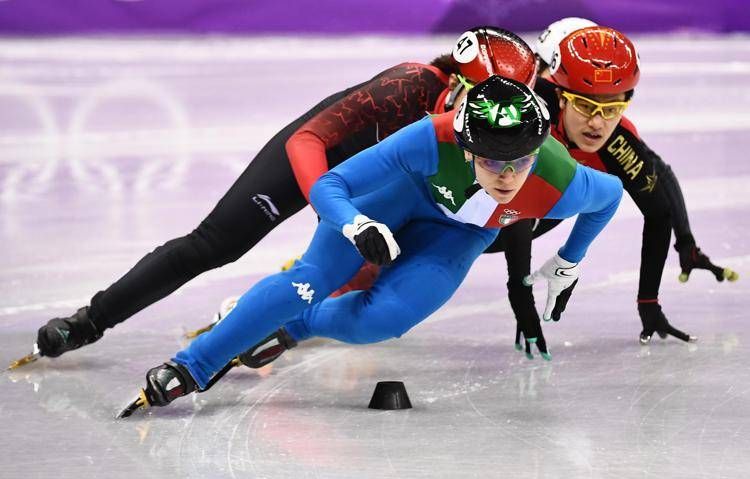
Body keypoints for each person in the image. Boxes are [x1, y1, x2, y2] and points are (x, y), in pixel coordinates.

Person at [122, 75, 623, 413]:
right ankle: (192, 364)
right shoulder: (434, 138)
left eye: (522, 161)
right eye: (493, 161)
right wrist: (354, 224)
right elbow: (331, 183)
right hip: (399, 196)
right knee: (308, 281)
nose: (509, 176)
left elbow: (610, 197)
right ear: (467, 147)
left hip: (462, 232)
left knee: (382, 322)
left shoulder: (561, 182)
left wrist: (568, 261)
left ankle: (296, 325)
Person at [31, 27, 539, 361]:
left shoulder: (499, 133)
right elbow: (308, 140)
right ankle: (91, 320)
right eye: (483, 98)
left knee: (362, 268)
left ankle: (271, 324)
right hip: (318, 164)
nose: (497, 116)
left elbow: (518, 205)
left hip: (379, 188)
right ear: (455, 82)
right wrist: (334, 208)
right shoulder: (409, 86)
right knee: (214, 244)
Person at [497, 24, 738, 358]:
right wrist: (521, 295)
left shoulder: (619, 140)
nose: (597, 123)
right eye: (584, 105)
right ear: (560, 92)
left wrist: (650, 299)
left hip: (538, 199)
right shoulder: (528, 109)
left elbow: (659, 199)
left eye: (611, 109)